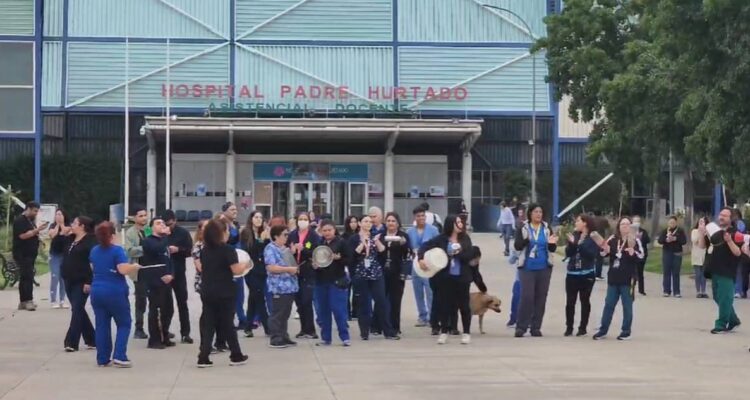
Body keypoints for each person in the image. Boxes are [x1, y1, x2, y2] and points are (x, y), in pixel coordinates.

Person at [196, 218, 250, 367]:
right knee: (227, 324)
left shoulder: (205, 250)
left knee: (209, 324)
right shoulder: (228, 250)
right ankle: (236, 355)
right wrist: (246, 263)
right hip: (224, 291)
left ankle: (203, 356)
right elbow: (236, 270)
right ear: (221, 233)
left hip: (207, 290)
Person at [418, 215, 476, 345]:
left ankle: (466, 332)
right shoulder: (441, 239)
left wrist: (457, 253)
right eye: (458, 222)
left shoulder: (465, 239)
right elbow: (425, 246)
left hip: (462, 278)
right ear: (451, 224)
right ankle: (444, 331)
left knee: (464, 306)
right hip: (445, 278)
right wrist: (421, 258)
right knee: (445, 305)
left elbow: (469, 255)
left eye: (461, 222)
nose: (461, 224)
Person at [90, 222, 139, 368]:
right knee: (124, 323)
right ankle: (119, 355)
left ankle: (103, 358)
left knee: (102, 325)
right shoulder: (117, 251)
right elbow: (122, 269)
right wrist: (134, 266)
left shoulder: (94, 250)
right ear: (112, 235)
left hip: (97, 289)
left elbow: (93, 267)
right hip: (114, 291)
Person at [593, 216, 644, 341]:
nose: (625, 226)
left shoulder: (635, 240)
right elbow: (603, 253)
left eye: (627, 224)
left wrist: (634, 253)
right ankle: (603, 330)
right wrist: (604, 249)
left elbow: (641, 256)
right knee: (609, 305)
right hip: (614, 278)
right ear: (619, 227)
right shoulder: (613, 239)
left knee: (627, 306)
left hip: (628, 279)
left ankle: (626, 331)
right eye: (622, 224)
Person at [350, 215, 400, 341]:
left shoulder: (376, 236)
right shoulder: (354, 238)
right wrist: (363, 243)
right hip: (361, 273)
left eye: (370, 222)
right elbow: (353, 254)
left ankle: (388, 331)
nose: (368, 224)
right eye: (365, 221)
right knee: (364, 303)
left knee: (381, 301)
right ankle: (364, 332)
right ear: (360, 223)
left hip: (375, 272)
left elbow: (383, 250)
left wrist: (376, 241)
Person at [513, 204, 558, 338]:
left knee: (540, 298)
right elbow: (517, 245)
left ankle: (535, 327)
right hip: (527, 267)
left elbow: (552, 249)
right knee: (527, 297)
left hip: (544, 267)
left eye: (540, 212)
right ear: (530, 214)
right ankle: (521, 326)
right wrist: (526, 240)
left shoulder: (546, 228)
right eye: (536, 212)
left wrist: (551, 244)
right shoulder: (523, 227)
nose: (538, 214)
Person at [313, 219, 352, 346]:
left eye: (329, 230)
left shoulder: (342, 243)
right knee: (323, 311)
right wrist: (314, 265)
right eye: (324, 230)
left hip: (337, 280)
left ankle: (345, 336)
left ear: (334, 230)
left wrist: (339, 258)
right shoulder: (319, 243)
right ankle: (326, 338)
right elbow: (313, 257)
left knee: (338, 309)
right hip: (321, 281)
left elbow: (349, 260)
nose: (327, 232)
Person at [62, 216, 97, 352]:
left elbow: (93, 264)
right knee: (79, 309)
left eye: (75, 223)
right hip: (68, 278)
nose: (72, 225)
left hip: (82, 280)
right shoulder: (70, 239)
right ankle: (92, 339)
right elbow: (58, 247)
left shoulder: (90, 242)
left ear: (82, 226)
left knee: (77, 308)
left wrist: (89, 281)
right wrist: (62, 232)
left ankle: (71, 341)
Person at [704, 207, 742, 334]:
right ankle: (733, 319)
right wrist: (701, 231)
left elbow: (738, 253)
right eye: (720, 214)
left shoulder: (736, 234)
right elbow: (702, 245)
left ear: (731, 219)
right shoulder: (717, 234)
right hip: (715, 270)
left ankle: (721, 324)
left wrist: (729, 241)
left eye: (725, 215)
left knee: (725, 298)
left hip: (727, 271)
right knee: (717, 297)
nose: (721, 217)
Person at [140, 217, 175, 349]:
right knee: (156, 310)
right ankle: (154, 339)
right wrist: (166, 235)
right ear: (151, 227)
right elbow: (157, 250)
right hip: (155, 280)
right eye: (158, 223)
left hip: (167, 280)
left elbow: (170, 259)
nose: (162, 225)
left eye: (163, 223)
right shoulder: (148, 241)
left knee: (168, 309)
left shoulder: (165, 242)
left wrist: (171, 274)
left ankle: (164, 335)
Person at [564, 214, 599, 337]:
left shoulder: (593, 237)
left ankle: (582, 327)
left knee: (584, 300)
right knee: (570, 302)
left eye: (578, 221)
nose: (576, 223)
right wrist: (572, 244)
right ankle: (569, 327)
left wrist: (578, 244)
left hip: (587, 274)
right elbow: (568, 253)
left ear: (585, 223)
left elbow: (591, 255)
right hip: (572, 273)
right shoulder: (574, 235)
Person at [264, 225, 300, 348]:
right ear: (276, 236)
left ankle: (284, 335)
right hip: (278, 286)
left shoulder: (284, 249)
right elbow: (271, 267)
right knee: (277, 313)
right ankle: (275, 338)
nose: (286, 237)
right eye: (284, 235)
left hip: (289, 286)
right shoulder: (270, 248)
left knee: (285, 313)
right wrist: (289, 269)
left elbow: (292, 263)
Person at [287, 212, 320, 339]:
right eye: (300, 219)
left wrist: (304, 249)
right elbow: (286, 249)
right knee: (299, 301)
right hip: (295, 271)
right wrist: (293, 250)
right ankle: (303, 329)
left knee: (307, 300)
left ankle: (310, 329)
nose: (302, 221)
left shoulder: (314, 236)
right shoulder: (292, 235)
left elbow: (316, 251)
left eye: (305, 219)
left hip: (308, 270)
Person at [163, 210, 194, 344]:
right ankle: (164, 331)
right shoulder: (160, 232)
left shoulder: (183, 233)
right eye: (166, 224)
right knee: (165, 304)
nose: (168, 227)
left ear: (175, 221)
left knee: (182, 302)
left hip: (179, 271)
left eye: (170, 224)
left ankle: (185, 333)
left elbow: (190, 251)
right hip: (164, 272)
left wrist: (179, 250)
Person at [378, 212, 411, 335]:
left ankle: (395, 327)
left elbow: (408, 253)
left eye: (393, 221)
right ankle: (380, 325)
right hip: (382, 271)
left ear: (398, 223)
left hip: (397, 272)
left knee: (395, 301)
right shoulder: (380, 236)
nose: (390, 223)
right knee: (381, 299)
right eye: (388, 221)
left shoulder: (403, 236)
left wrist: (404, 244)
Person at [406, 206, 439, 328]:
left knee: (430, 291)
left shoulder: (433, 230)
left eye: (423, 216)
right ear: (415, 218)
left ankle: (432, 316)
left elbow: (438, 246)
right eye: (418, 216)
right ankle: (422, 316)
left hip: (429, 263)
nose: (421, 218)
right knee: (418, 291)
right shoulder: (410, 232)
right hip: (415, 264)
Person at [239, 211, 270, 338]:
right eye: (256, 217)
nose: (259, 219)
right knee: (259, 297)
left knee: (253, 297)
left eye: (261, 217)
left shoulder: (263, 232)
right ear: (251, 219)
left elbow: (267, 250)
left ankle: (248, 327)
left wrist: (265, 239)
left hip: (262, 270)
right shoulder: (246, 233)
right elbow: (248, 251)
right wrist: (261, 241)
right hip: (250, 270)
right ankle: (268, 328)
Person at [13, 201, 47, 311]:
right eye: (35, 211)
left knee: (25, 277)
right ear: (28, 209)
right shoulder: (20, 221)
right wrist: (37, 230)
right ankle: (28, 300)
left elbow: (32, 233)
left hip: (30, 254)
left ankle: (23, 301)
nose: (36, 213)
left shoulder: (30, 221)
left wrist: (39, 238)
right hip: (22, 254)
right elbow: (22, 236)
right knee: (28, 276)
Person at [220, 202, 247, 331]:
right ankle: (228, 319)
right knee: (230, 292)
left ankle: (242, 318)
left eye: (236, 209)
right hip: (228, 260)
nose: (235, 211)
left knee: (240, 292)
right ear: (224, 211)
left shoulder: (235, 224)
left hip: (238, 258)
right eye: (232, 209)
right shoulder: (222, 224)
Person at [123, 207, 149, 339]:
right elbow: (129, 250)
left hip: (152, 268)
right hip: (138, 270)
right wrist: (145, 248)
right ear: (135, 218)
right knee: (141, 300)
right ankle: (139, 328)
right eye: (141, 216)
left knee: (157, 300)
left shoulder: (149, 229)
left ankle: (158, 328)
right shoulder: (130, 233)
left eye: (145, 215)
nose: (144, 218)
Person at [657, 216, 687, 297]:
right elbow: (659, 241)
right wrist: (666, 240)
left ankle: (677, 292)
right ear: (668, 223)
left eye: (673, 222)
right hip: (667, 252)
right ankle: (666, 291)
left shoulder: (680, 231)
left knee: (676, 273)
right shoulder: (665, 231)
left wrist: (675, 239)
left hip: (677, 253)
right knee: (666, 272)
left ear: (676, 223)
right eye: (670, 222)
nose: (672, 224)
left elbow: (684, 241)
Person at [48, 209, 70, 309]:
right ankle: (53, 300)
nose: (58, 216)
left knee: (63, 278)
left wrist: (61, 224)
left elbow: (66, 232)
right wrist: (57, 225)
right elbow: (52, 234)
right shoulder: (52, 226)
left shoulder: (68, 226)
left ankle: (62, 299)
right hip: (54, 255)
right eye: (57, 214)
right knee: (55, 276)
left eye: (60, 214)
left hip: (65, 255)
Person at [342, 215, 360, 320]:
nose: (353, 224)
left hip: (357, 265)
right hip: (347, 266)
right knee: (346, 290)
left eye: (355, 221)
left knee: (357, 290)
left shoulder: (359, 235)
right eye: (351, 222)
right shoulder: (344, 236)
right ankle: (347, 312)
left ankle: (356, 312)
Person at [631, 215, 651, 295]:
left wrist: (641, 238)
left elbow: (648, 240)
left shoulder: (643, 231)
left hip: (641, 254)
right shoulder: (630, 231)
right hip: (632, 254)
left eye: (638, 221)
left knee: (640, 272)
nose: (637, 223)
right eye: (635, 221)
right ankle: (631, 288)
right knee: (632, 272)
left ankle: (641, 290)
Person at [691, 217, 710, 299]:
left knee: (703, 275)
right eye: (700, 222)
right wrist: (700, 232)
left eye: (703, 222)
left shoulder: (708, 232)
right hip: (696, 255)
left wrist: (705, 233)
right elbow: (694, 240)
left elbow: (709, 242)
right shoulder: (694, 231)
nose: (701, 223)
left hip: (705, 255)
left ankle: (703, 291)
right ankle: (698, 291)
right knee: (698, 274)